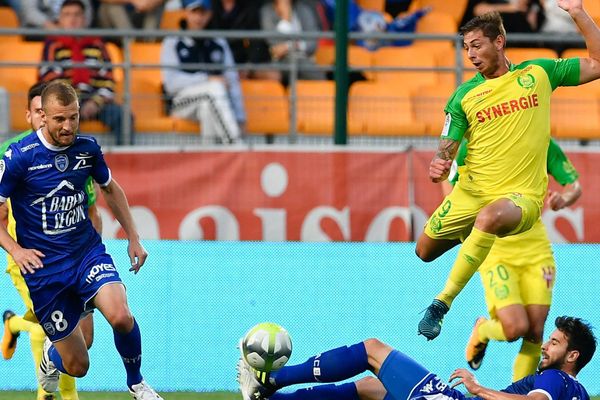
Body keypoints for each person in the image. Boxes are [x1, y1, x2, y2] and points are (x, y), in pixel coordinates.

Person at [415, 0, 600, 341]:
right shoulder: (463, 98)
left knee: (488, 218)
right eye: (466, 47)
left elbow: (597, 63)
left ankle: (441, 303)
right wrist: (439, 168)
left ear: (499, 41)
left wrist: (577, 12)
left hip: (521, 198)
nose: (470, 55)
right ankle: (477, 237)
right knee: (424, 251)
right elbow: (446, 152)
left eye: (477, 45)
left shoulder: (538, 74)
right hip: (470, 193)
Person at [0, 80, 162, 399]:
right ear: (42, 116)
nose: (68, 125)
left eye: (73, 117)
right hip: (45, 271)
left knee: (120, 315)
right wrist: (14, 249)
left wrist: (133, 237)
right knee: (78, 363)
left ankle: (137, 383)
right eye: (60, 119)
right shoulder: (18, 158)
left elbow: (110, 190)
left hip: (86, 253)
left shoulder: (87, 149)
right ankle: (50, 358)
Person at [442, 138, 581, 382]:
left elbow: (574, 186)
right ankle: (483, 330)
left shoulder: (542, 140)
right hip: (495, 249)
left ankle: (519, 393)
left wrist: (564, 199)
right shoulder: (477, 140)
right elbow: (451, 188)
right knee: (515, 328)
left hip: (536, 250)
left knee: (535, 332)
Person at [0, 82, 102, 400]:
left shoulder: (72, 154)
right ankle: (53, 395)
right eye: (39, 112)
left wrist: (93, 252)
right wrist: (15, 251)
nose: (45, 118)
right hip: (30, 261)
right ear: (31, 113)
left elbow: (91, 206)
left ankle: (14, 324)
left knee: (85, 337)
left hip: (72, 259)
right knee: (59, 331)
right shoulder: (14, 154)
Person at [238, 316, 596, 400]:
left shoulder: (556, 379)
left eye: (554, 343)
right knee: (370, 388)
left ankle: (270, 382)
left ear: (572, 355)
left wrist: (479, 388)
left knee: (372, 349)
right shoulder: (578, 392)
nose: (546, 348)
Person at [39, 0, 128, 145]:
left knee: (123, 116)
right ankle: (72, 165)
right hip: (66, 103)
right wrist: (72, 103)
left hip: (96, 101)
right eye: (67, 15)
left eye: (77, 14)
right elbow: (48, 79)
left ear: (85, 19)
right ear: (60, 20)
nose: (72, 19)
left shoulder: (97, 44)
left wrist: (95, 102)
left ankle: (126, 163)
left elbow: (108, 78)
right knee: (65, 121)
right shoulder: (52, 44)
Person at [161, 0, 246, 143]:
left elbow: (232, 81)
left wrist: (241, 117)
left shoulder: (218, 42)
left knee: (207, 106)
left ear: (210, 14)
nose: (199, 18)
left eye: (203, 13)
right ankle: (236, 144)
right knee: (214, 89)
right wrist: (206, 79)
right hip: (181, 103)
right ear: (185, 12)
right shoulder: (172, 42)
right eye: (194, 12)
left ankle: (210, 157)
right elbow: (171, 84)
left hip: (211, 100)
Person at [260, 0, 327, 85]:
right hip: (279, 62)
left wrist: (288, 46)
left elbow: (312, 44)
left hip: (303, 60)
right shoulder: (267, 11)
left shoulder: (304, 10)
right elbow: (274, 43)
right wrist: (286, 20)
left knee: (304, 67)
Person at [20, 0, 93, 29]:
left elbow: (87, 14)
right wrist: (49, 25)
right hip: (44, 29)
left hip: (77, 30)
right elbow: (29, 12)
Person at [97, 0, 165, 30]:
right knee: (113, 8)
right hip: (115, 25)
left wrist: (149, 3)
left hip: (142, 15)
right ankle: (130, 43)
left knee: (156, 7)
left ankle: (148, 44)